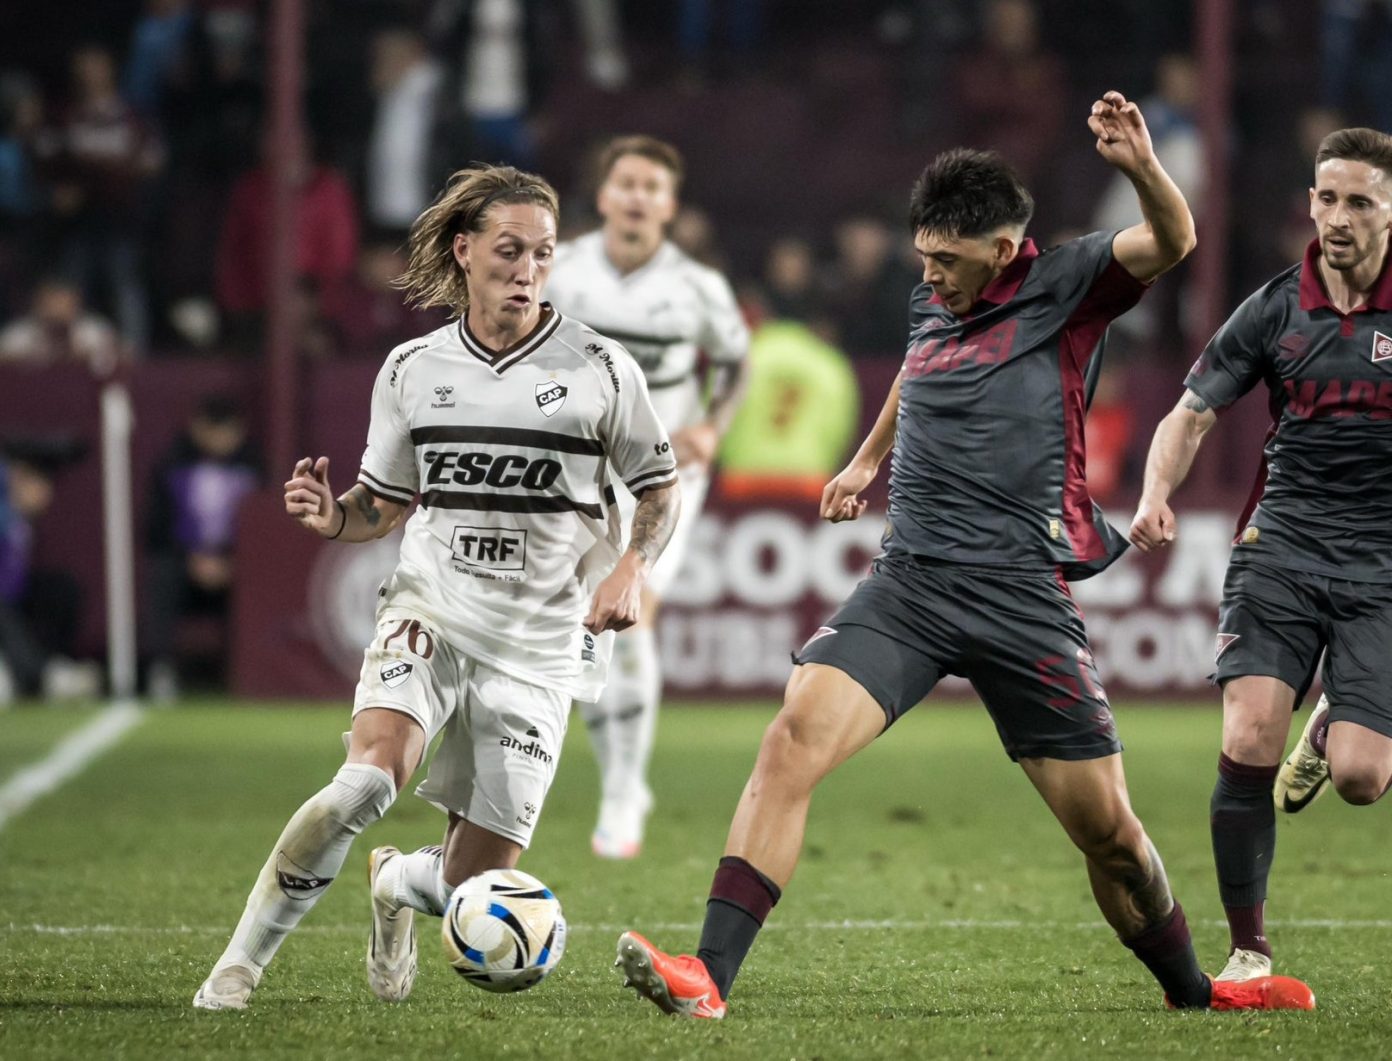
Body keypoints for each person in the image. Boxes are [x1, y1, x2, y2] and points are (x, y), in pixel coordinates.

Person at [615, 91, 1314, 1020]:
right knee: (792, 738)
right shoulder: (931, 297)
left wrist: (1142, 168)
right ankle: (708, 977)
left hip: (1021, 595)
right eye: (923, 258)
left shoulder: (1068, 284)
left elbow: (1173, 241)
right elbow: (916, 364)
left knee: (1108, 833)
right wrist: (865, 461)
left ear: (1000, 247)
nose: (930, 275)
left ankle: (1194, 990)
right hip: (910, 581)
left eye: (947, 260)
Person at [192, 164, 680, 1010]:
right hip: (433, 610)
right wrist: (330, 515)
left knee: (469, 884)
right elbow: (380, 504)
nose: (527, 269)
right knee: (364, 782)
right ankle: (236, 968)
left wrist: (634, 564)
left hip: (540, 644)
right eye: (508, 250)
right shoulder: (413, 367)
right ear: (464, 251)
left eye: (543, 253)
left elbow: (661, 489)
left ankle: (394, 882)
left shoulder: (601, 368)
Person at [1129, 126, 1392, 985]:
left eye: (1359, 200)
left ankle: (1336, 718)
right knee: (1247, 739)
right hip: (1281, 544)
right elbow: (1190, 413)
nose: (1338, 217)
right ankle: (1248, 949)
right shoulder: (1277, 306)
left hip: (1382, 566)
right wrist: (1155, 492)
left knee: (1359, 777)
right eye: (1326, 197)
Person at [545, 135, 749, 859]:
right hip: (573, 468)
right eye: (625, 183)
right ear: (603, 196)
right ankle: (600, 775)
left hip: (660, 475)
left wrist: (712, 427)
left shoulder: (697, 287)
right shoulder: (560, 271)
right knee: (574, 621)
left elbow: (735, 363)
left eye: (651, 187)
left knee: (631, 611)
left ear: (669, 205)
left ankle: (623, 791)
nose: (637, 196)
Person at [143, 394, 261, 698]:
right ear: (199, 429)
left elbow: (266, 531)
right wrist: (192, 559)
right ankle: (161, 667)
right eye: (217, 430)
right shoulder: (171, 465)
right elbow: (157, 527)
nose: (224, 439)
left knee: (259, 584)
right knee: (162, 576)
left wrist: (232, 562)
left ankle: (250, 672)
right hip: (184, 564)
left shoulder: (254, 468)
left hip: (235, 567)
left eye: (230, 431)